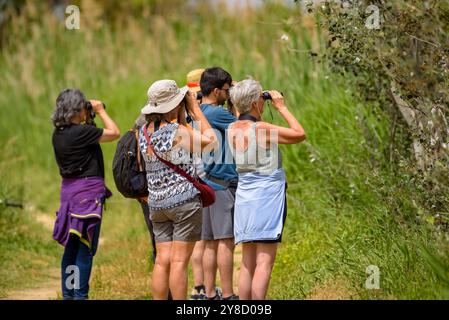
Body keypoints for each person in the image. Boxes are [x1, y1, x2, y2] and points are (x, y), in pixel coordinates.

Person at [227, 79, 306, 300]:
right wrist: (281, 106)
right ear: (254, 103)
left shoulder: (231, 128)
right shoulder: (262, 129)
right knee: (264, 263)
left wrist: (242, 95)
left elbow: (241, 113)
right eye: (261, 99)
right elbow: (299, 133)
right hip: (268, 197)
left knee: (247, 263)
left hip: (244, 198)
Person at [138, 79, 216, 300]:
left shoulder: (144, 133)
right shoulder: (175, 132)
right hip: (184, 203)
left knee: (163, 260)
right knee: (180, 262)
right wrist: (196, 109)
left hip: (157, 204)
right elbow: (211, 144)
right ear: (174, 104)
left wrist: (181, 116)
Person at [51, 89, 120, 300]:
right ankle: (80, 296)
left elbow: (88, 136)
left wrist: (88, 117)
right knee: (84, 248)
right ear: (76, 109)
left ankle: (69, 295)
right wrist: (100, 111)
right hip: (87, 195)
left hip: (70, 194)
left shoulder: (59, 133)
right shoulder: (80, 133)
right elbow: (114, 132)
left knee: (72, 248)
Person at [199, 67, 239, 300]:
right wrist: (240, 97)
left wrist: (231, 94)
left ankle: (210, 292)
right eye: (227, 90)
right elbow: (246, 126)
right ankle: (228, 294)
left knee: (210, 241)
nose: (229, 93)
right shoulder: (217, 114)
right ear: (216, 91)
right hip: (222, 184)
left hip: (206, 182)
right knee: (225, 240)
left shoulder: (200, 111)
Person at [186, 68, 208, 300]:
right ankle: (201, 286)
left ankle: (198, 285)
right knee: (203, 238)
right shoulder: (201, 109)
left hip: (186, 175)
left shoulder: (180, 107)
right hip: (203, 174)